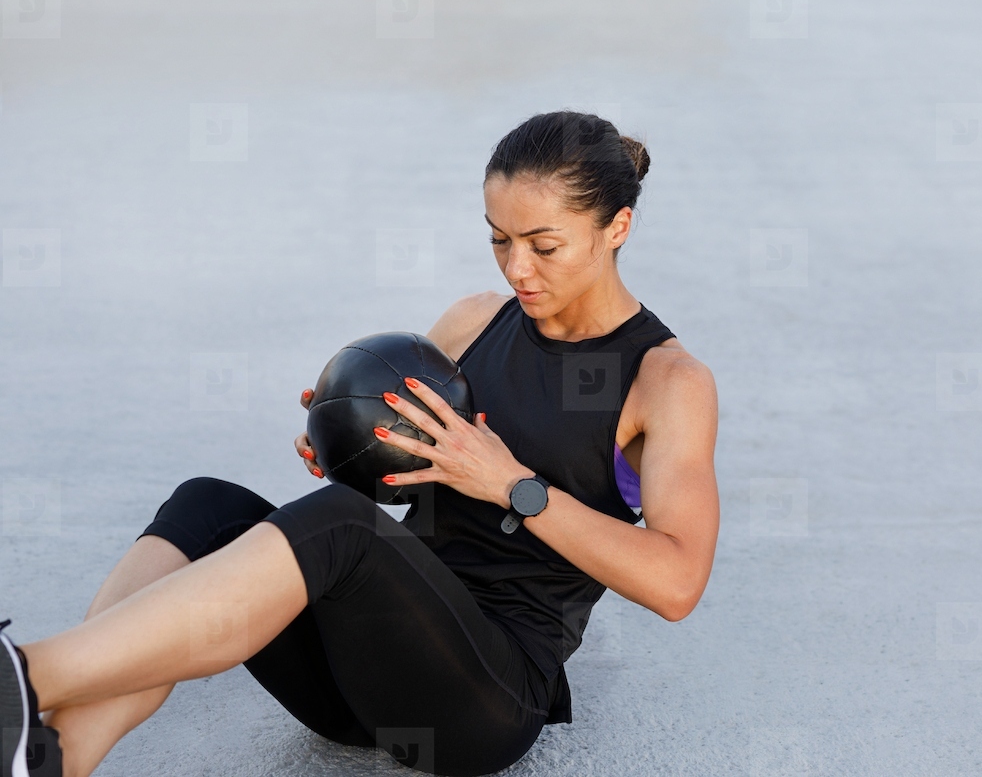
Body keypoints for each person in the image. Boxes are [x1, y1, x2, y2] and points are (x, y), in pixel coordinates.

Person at [0, 110, 720, 777]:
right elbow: (390, 470)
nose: (516, 268)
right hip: (364, 664)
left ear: (617, 227)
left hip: (480, 698)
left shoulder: (665, 380)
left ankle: (25, 672)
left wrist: (511, 485)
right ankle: (52, 754)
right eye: (499, 238)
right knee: (208, 504)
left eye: (544, 245)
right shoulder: (476, 321)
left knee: (338, 528)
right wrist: (345, 447)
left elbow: (677, 583)